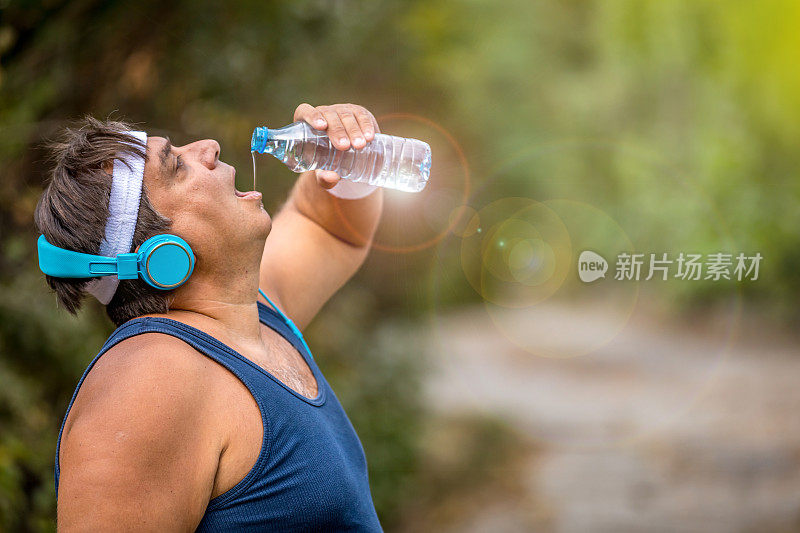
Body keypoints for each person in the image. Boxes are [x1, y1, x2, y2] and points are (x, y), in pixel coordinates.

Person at [34, 103, 385, 531]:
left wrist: (348, 158)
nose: (210, 147)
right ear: (164, 257)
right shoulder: (149, 383)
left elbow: (331, 229)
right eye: (176, 167)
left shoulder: (251, 316)